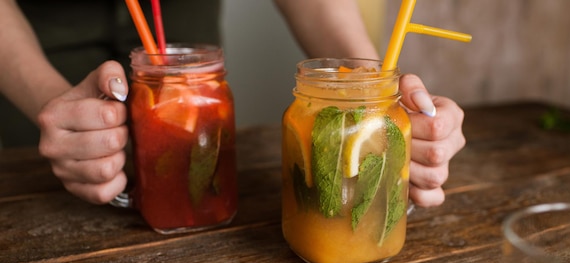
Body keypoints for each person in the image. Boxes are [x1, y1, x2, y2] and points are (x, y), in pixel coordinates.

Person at [0, 0, 465, 209]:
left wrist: (368, 92)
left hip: (193, 62)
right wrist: (49, 100)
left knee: (207, 184)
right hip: (26, 89)